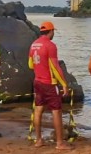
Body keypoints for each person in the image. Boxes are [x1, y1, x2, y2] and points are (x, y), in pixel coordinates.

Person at [28, 21, 73, 150]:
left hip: (37, 82)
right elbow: (55, 67)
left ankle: (38, 140)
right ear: (51, 31)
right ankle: (60, 143)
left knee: (38, 110)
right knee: (56, 112)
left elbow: (30, 65)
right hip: (49, 83)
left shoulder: (34, 44)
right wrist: (64, 84)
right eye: (53, 32)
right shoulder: (50, 45)